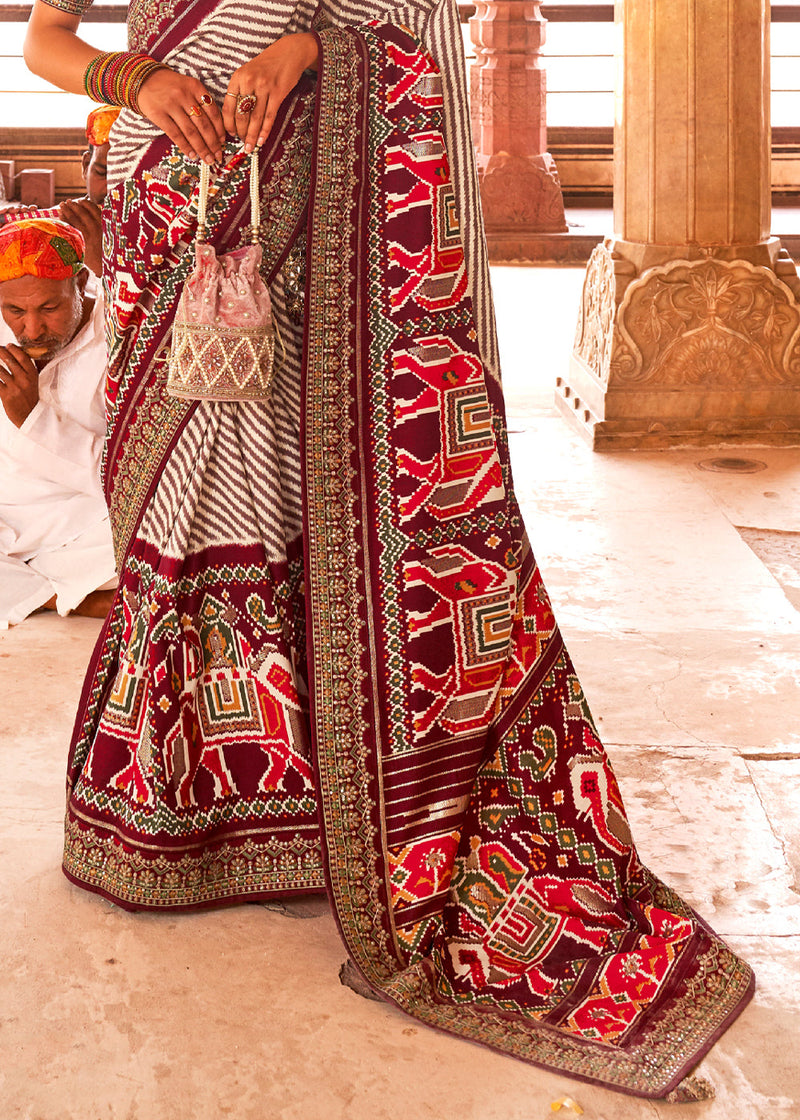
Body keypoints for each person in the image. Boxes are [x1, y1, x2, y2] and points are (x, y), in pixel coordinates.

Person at [22, 0, 752, 1100]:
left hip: (320, 187)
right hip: (163, 211)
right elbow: (46, 36)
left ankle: (322, 801)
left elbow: (409, 14)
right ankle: (183, 801)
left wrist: (306, 44)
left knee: (307, 491)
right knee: (172, 501)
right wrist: (131, 83)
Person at [0, 216, 116, 626]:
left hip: (86, 522)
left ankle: (37, 587)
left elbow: (126, 473)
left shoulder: (118, 337)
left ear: (81, 282)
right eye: (14, 310)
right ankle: (62, 597)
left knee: (160, 536)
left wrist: (34, 419)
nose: (31, 329)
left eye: (50, 307)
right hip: (8, 517)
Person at [0, 105, 119, 275]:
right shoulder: (61, 223)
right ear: (86, 166)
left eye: (129, 180)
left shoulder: (161, 235)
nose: (114, 189)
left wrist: (101, 265)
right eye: (104, 173)